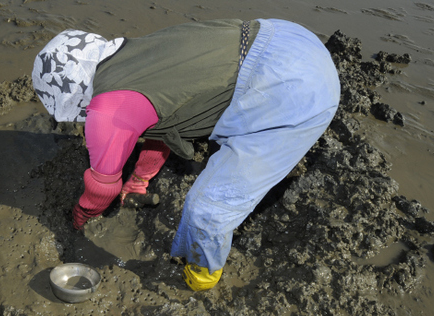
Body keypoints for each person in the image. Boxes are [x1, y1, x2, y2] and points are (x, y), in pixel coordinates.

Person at [32, 18, 340, 291]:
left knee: (206, 209)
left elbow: (102, 188)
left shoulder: (108, 111)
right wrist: (138, 181)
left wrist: (79, 216)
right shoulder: (136, 51)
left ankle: (201, 279)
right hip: (287, 37)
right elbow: (165, 121)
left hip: (294, 92)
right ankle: (147, 191)